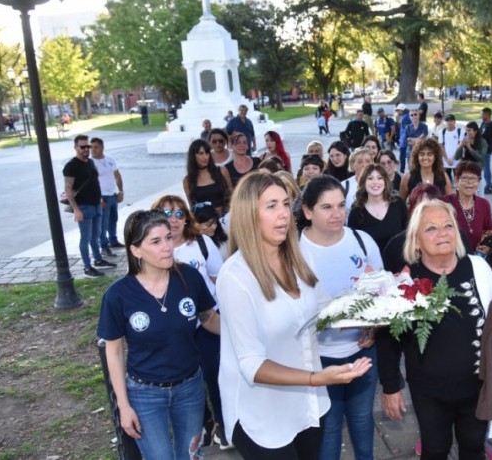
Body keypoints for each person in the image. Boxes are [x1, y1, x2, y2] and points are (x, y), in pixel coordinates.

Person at [216, 173, 371, 459]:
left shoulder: (299, 256)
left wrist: (379, 313)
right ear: (248, 214)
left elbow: (327, 310)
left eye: (286, 204)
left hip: (308, 407)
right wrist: (316, 378)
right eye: (271, 205)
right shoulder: (235, 277)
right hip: (262, 415)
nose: (284, 214)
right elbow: (252, 364)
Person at [377, 199, 492, 460]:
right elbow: (388, 339)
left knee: (473, 446)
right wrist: (391, 387)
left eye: (448, 226)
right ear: (416, 240)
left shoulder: (478, 268)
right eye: (431, 228)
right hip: (428, 391)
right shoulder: (405, 281)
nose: (442, 233)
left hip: (477, 384)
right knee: (435, 449)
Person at [97, 209, 220, 459]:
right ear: (135, 250)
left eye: (168, 238)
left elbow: (208, 318)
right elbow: (114, 350)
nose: (167, 247)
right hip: (145, 394)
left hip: (190, 388)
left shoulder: (189, 277)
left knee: (190, 455)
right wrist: (123, 405)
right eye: (155, 241)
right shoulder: (118, 295)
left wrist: (243, 333)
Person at [299, 176, 383, 460]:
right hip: (317, 360)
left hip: (362, 353)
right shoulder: (294, 251)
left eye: (340, 205)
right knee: (328, 429)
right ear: (307, 211)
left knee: (362, 421)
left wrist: (374, 327)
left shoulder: (362, 241)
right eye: (326, 207)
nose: (337, 213)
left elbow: (382, 294)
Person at [151, 194, 228, 448]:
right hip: (176, 328)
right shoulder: (154, 250)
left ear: (186, 218)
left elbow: (219, 279)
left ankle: (223, 424)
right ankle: (204, 421)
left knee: (215, 374)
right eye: (167, 214)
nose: (173, 219)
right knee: (187, 378)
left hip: (208, 320)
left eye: (179, 214)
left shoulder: (202, 243)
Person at [63, 135, 117, 278]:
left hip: (96, 204)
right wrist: (76, 209)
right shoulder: (71, 166)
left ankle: (98, 259)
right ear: (76, 148)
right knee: (85, 237)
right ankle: (87, 267)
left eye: (88, 146)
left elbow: (95, 182)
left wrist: (99, 198)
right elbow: (68, 189)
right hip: (83, 206)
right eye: (83, 147)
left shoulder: (91, 162)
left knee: (96, 235)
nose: (86, 149)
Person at [348, 164, 408, 257]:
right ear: (363, 183)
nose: (375, 182)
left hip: (400, 262)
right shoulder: (356, 211)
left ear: (385, 182)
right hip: (371, 264)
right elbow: (353, 244)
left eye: (380, 178)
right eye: (370, 178)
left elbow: (408, 234)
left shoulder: (398, 204)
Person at [442, 161, 492, 251]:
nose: (469, 182)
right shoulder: (445, 202)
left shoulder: (484, 204)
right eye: (465, 178)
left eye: (473, 179)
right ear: (456, 181)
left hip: (476, 256)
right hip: (450, 255)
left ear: (478, 182)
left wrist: (488, 247)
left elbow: (489, 231)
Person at [90, 137, 125, 256]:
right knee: (102, 223)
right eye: (91, 147)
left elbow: (117, 175)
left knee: (113, 219)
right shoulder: (90, 163)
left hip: (112, 194)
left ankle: (113, 240)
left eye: (96, 147)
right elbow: (91, 182)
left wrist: (121, 191)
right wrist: (98, 198)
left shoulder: (110, 159)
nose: (93, 150)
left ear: (102, 148)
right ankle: (104, 246)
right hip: (102, 196)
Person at [183, 139, 234, 217]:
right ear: (193, 156)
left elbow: (232, 194)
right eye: (201, 153)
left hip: (226, 217)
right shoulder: (187, 181)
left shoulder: (222, 171)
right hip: (205, 221)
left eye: (207, 153)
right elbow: (192, 207)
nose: (205, 157)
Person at [455, 121, 487, 196]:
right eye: (466, 131)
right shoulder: (464, 140)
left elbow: (481, 157)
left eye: (469, 130)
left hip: (477, 169)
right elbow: (456, 157)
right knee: (464, 191)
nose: (467, 133)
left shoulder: (482, 142)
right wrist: (460, 146)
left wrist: (470, 148)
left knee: (479, 192)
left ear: (475, 131)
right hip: (465, 169)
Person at [342, 147, 375, 212]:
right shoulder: (344, 185)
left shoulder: (379, 184)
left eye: (368, 161)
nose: (364, 165)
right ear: (352, 164)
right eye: (360, 162)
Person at [479, 107, 492, 194]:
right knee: (484, 168)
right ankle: (489, 183)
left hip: (487, 150)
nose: (481, 116)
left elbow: (483, 137)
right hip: (481, 149)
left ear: (487, 115)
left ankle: (488, 186)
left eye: (482, 114)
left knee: (486, 168)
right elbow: (479, 132)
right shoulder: (483, 123)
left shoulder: (491, 126)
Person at [395, 104, 413, 173]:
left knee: (403, 157)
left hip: (404, 142)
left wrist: (405, 140)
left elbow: (407, 130)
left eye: (398, 110)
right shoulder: (406, 116)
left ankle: (402, 171)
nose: (397, 112)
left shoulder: (405, 118)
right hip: (404, 140)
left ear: (402, 110)